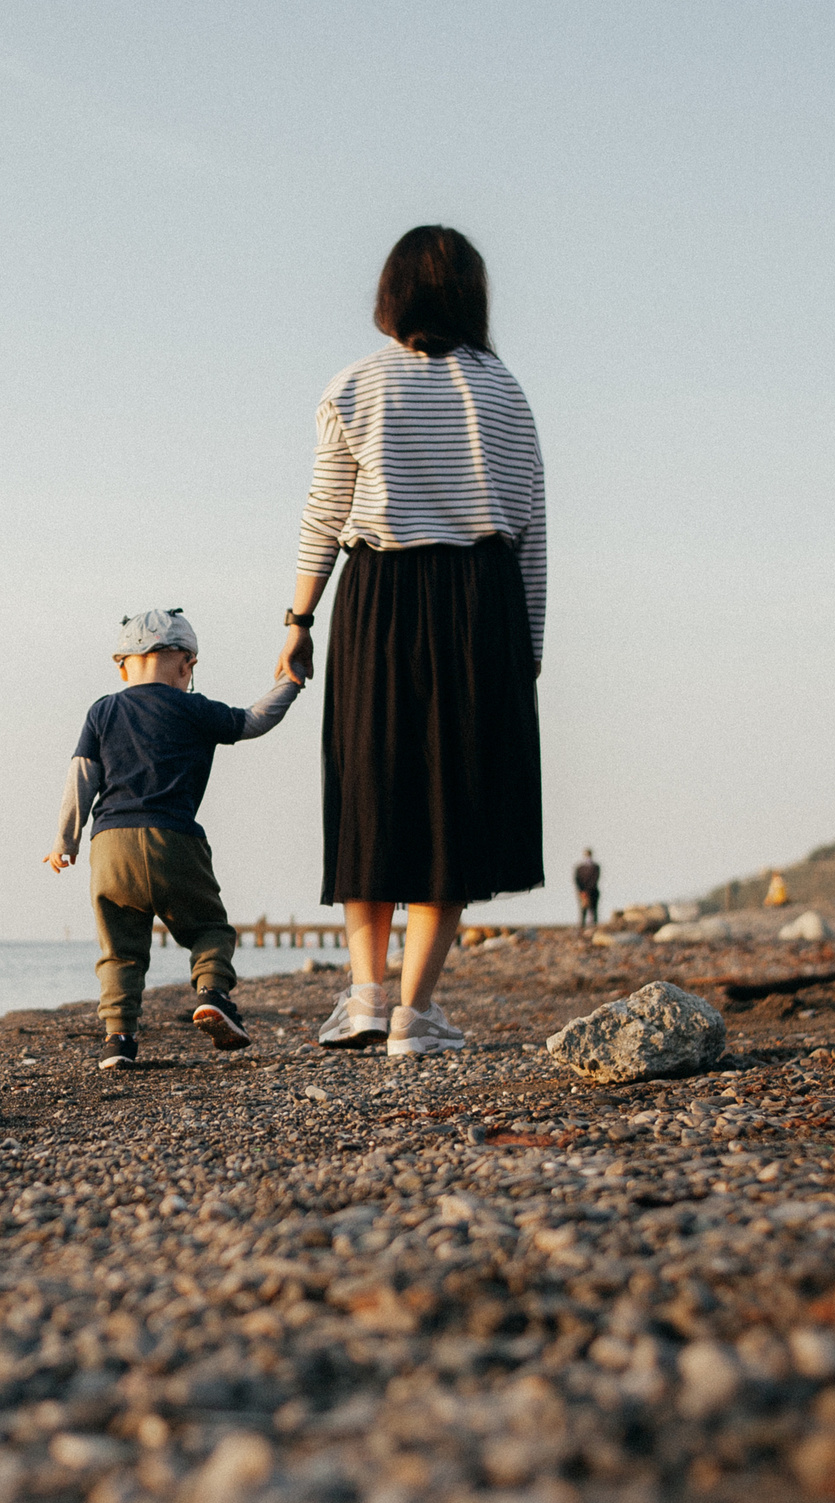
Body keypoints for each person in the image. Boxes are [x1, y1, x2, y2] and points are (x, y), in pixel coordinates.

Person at [275, 226, 547, 1056]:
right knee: (451, 801)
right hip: (482, 603)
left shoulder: (355, 385)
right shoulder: (507, 393)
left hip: (379, 597)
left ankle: (365, 995)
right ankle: (415, 1013)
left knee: (371, 784)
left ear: (391, 294)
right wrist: (528, 649)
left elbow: (325, 513)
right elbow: (530, 530)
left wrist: (298, 620)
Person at [46, 609, 300, 1069]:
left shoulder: (103, 710)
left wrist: (66, 841)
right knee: (208, 928)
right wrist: (291, 682)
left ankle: (118, 1040)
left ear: (123, 666)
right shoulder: (194, 708)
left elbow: (81, 775)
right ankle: (213, 993)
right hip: (174, 839)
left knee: (120, 951)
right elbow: (255, 720)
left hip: (110, 847)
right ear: (186, 664)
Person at [574, 848, 601, 931]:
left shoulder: (596, 867)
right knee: (583, 910)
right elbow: (577, 879)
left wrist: (588, 890)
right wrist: (582, 890)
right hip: (582, 892)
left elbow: (595, 879)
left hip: (593, 891)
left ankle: (594, 927)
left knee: (593, 910)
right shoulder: (579, 868)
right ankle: (582, 927)